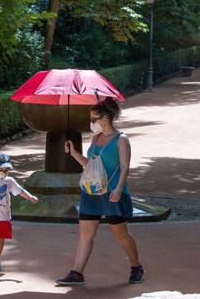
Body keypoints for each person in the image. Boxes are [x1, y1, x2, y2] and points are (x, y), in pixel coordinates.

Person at [56, 98, 144, 286]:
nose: (91, 123)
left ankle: (136, 267)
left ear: (105, 118)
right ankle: (76, 273)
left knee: (120, 234)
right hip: (92, 191)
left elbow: (124, 166)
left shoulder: (121, 139)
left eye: (93, 119)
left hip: (113, 192)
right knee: (85, 234)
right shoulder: (96, 139)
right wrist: (73, 153)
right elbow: (91, 166)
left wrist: (120, 189)